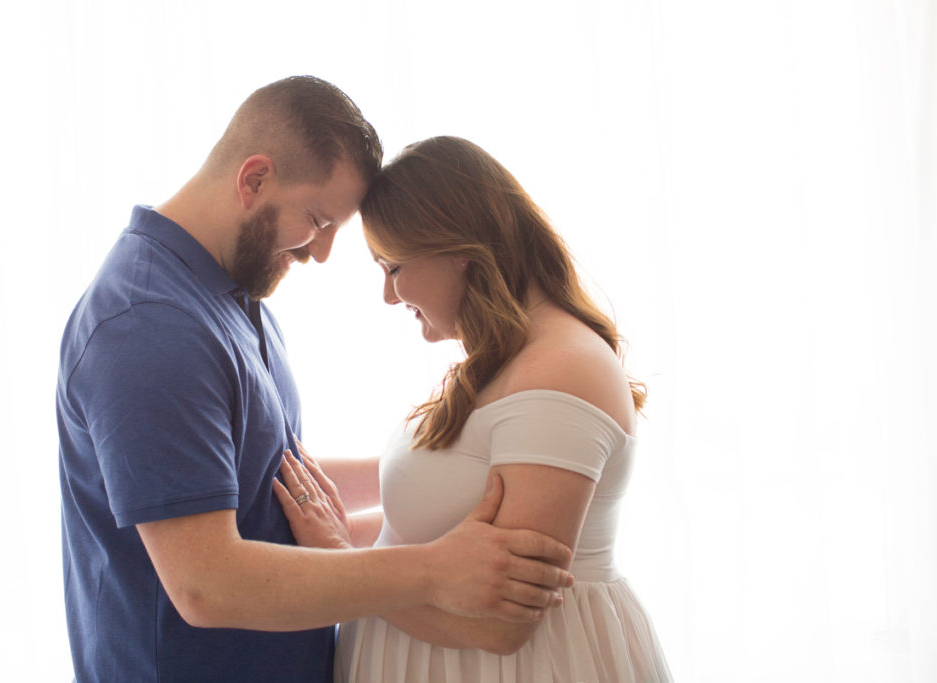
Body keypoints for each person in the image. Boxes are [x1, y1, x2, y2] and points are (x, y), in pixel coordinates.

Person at [56, 78, 575, 683]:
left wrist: (445, 473)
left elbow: (270, 481)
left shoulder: (228, 292)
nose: (322, 252)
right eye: (317, 219)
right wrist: (435, 568)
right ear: (254, 180)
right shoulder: (147, 325)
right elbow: (206, 584)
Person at [277, 136, 674, 682]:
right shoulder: (509, 361)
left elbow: (499, 626)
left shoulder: (560, 370)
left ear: (460, 250)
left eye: (393, 266)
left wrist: (341, 558)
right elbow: (419, 522)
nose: (389, 295)